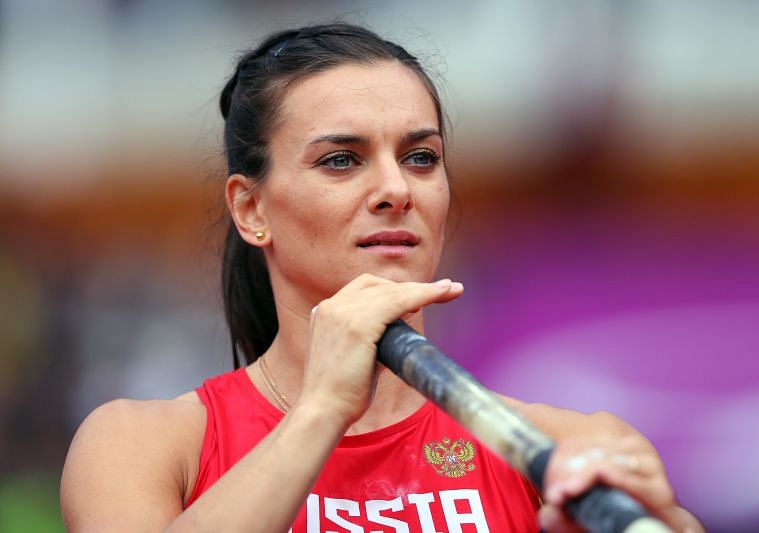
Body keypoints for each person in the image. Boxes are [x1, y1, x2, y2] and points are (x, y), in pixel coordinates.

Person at [60, 23, 703, 532]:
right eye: (342, 160)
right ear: (251, 210)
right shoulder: (142, 446)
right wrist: (322, 410)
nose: (396, 189)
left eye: (421, 157)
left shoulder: (566, 449)